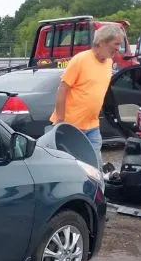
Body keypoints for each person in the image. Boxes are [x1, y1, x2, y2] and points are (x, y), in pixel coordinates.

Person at [48, 24, 124, 170]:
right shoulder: (80, 60)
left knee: (95, 168)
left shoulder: (109, 62)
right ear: (102, 42)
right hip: (71, 126)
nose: (118, 48)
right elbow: (62, 90)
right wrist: (61, 121)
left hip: (92, 126)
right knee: (72, 169)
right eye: (116, 44)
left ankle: (97, 191)